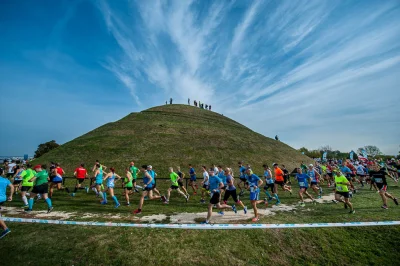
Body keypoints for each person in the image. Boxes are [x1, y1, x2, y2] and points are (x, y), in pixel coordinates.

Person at [0, 167, 14, 239]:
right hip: (3, 199)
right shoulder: (5, 180)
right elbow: (12, 187)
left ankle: (5, 229)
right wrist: (11, 195)